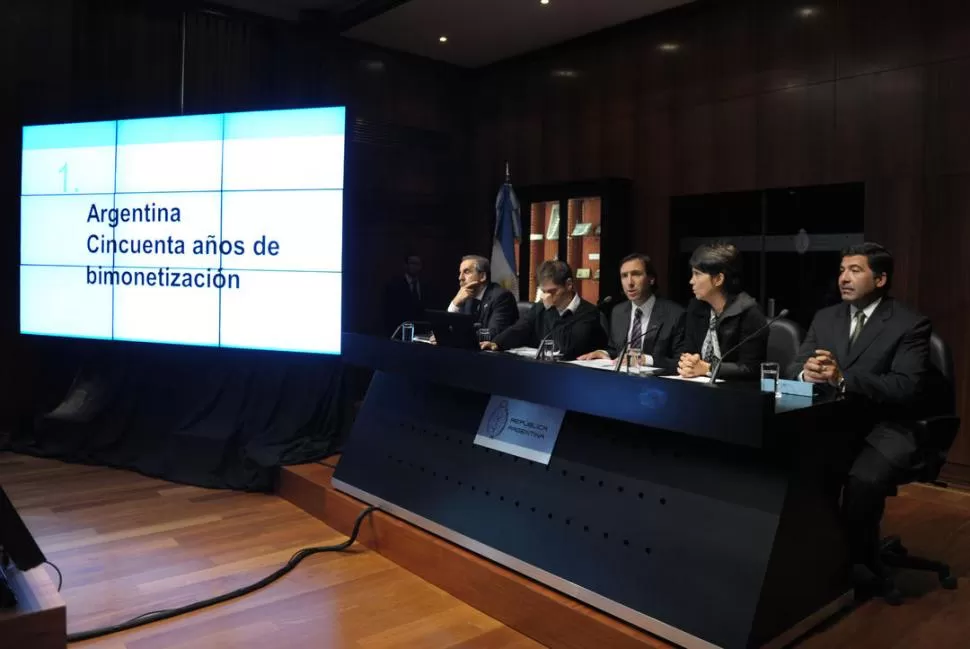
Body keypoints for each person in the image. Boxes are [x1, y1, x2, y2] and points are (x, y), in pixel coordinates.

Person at [786, 242, 939, 579]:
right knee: (800, 467)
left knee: (862, 480)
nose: (844, 278)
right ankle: (820, 553)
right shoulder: (826, 317)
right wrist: (805, 372)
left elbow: (905, 387)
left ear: (880, 279)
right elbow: (796, 365)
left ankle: (854, 562)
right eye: (842, 270)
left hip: (887, 425)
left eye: (855, 271)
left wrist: (844, 379)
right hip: (834, 421)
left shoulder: (910, 324)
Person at [577, 253, 685, 370]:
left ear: (651, 279)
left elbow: (680, 361)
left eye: (636, 274)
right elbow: (616, 350)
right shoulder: (618, 312)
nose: (629, 282)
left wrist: (645, 360)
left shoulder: (675, 314)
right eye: (624, 276)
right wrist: (603, 353)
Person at [482, 260, 607, 360]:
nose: (546, 297)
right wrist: (496, 343)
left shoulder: (588, 312)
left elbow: (566, 348)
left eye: (552, 291)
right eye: (544, 292)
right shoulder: (541, 307)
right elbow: (520, 328)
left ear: (569, 284)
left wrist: (551, 310)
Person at [677, 243, 767, 379]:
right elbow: (689, 351)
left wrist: (709, 368)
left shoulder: (749, 313)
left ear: (718, 279)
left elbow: (751, 368)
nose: (691, 281)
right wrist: (688, 363)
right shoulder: (696, 307)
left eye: (697, 274)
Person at [447, 255, 518, 339]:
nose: (460, 278)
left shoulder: (502, 297)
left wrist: (453, 335)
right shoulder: (465, 296)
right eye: (460, 273)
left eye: (466, 272)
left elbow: (494, 333)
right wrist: (455, 304)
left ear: (483, 276)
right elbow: (450, 327)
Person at [383, 254, 425, 336]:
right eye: (412, 263)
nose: (415, 266)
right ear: (406, 265)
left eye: (417, 264)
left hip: (420, 333)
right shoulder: (394, 285)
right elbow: (389, 312)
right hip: (398, 332)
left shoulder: (425, 286)